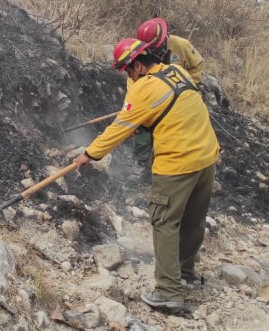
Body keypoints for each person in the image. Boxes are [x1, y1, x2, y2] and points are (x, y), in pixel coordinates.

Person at [73, 38, 220, 314]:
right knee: (193, 219)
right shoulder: (177, 72)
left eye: (128, 71)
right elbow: (170, 108)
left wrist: (89, 155)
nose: (129, 77)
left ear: (138, 65)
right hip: (207, 157)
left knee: (164, 221)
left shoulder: (143, 89)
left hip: (177, 163)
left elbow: (120, 128)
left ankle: (168, 292)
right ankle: (185, 273)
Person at [130, 18, 206, 174]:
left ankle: (179, 163)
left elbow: (197, 65)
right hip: (152, 96)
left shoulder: (182, 46)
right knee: (141, 126)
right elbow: (133, 81)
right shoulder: (141, 55)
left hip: (180, 94)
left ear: (163, 38)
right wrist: (133, 109)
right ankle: (141, 163)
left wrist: (189, 84)